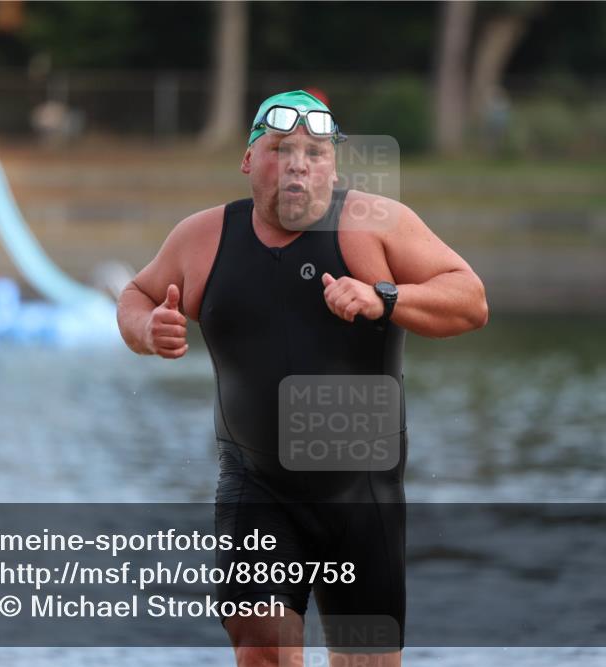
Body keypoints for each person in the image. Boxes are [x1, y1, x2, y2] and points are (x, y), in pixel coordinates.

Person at [117, 90, 487, 667]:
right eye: (280, 149)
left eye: (315, 152)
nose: (297, 163)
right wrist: (149, 328)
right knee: (263, 652)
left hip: (361, 495)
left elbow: (470, 301)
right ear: (248, 161)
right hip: (255, 488)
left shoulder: (377, 225)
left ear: (333, 166)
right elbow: (136, 294)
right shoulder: (203, 237)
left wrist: (382, 296)